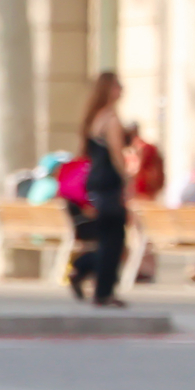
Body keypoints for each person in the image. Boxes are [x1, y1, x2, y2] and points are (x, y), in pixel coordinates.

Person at [77, 72, 134, 307]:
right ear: (109, 90)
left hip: (96, 184)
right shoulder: (111, 119)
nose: (122, 91)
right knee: (114, 239)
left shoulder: (94, 118)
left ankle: (86, 273)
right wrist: (127, 180)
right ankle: (103, 290)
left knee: (106, 238)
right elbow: (117, 153)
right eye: (118, 87)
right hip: (110, 185)